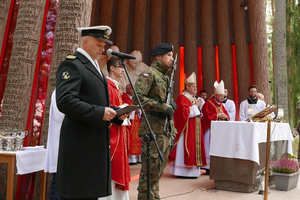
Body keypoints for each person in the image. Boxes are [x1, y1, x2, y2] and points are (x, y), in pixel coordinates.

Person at [55, 25, 128, 200]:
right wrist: (100, 113)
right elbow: (65, 101)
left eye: (104, 46)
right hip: (80, 147)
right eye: (99, 45)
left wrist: (116, 114)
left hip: (93, 145)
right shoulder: (72, 64)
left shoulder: (92, 65)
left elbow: (96, 101)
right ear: (86, 42)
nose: (103, 50)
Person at [132, 43, 177, 200]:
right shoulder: (149, 74)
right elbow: (138, 98)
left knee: (157, 172)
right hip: (152, 130)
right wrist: (162, 107)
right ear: (158, 56)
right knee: (149, 172)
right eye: (169, 55)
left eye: (172, 56)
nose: (172, 59)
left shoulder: (164, 76)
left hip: (164, 130)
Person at [169, 72, 207, 178]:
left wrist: (199, 106)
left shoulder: (192, 98)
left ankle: (193, 171)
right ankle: (182, 171)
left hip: (194, 128)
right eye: (194, 87)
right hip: (185, 129)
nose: (196, 88)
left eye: (195, 86)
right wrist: (196, 107)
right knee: (184, 148)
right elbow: (182, 113)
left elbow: (196, 112)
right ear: (187, 87)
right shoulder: (182, 97)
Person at [106, 56, 131, 200]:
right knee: (113, 167)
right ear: (112, 68)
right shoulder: (108, 86)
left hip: (119, 132)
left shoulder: (115, 86)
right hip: (112, 134)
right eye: (120, 67)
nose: (123, 70)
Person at [201, 80, 230, 174]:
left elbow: (227, 114)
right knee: (209, 147)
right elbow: (206, 116)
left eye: (223, 96)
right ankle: (208, 167)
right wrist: (217, 116)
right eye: (221, 96)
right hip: (210, 130)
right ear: (215, 95)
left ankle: (216, 166)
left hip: (219, 131)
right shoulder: (208, 103)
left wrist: (225, 117)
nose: (223, 97)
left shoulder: (221, 104)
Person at [44, 89, 64, 200]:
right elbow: (61, 115)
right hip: (60, 145)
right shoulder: (60, 91)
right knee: (58, 185)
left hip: (71, 148)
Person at [121, 84, 142, 164]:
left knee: (138, 139)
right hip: (130, 123)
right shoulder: (124, 98)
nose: (134, 91)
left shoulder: (136, 98)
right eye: (132, 89)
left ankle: (138, 158)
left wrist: (139, 110)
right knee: (131, 140)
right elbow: (124, 108)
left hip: (137, 122)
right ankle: (131, 159)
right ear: (127, 89)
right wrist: (134, 111)